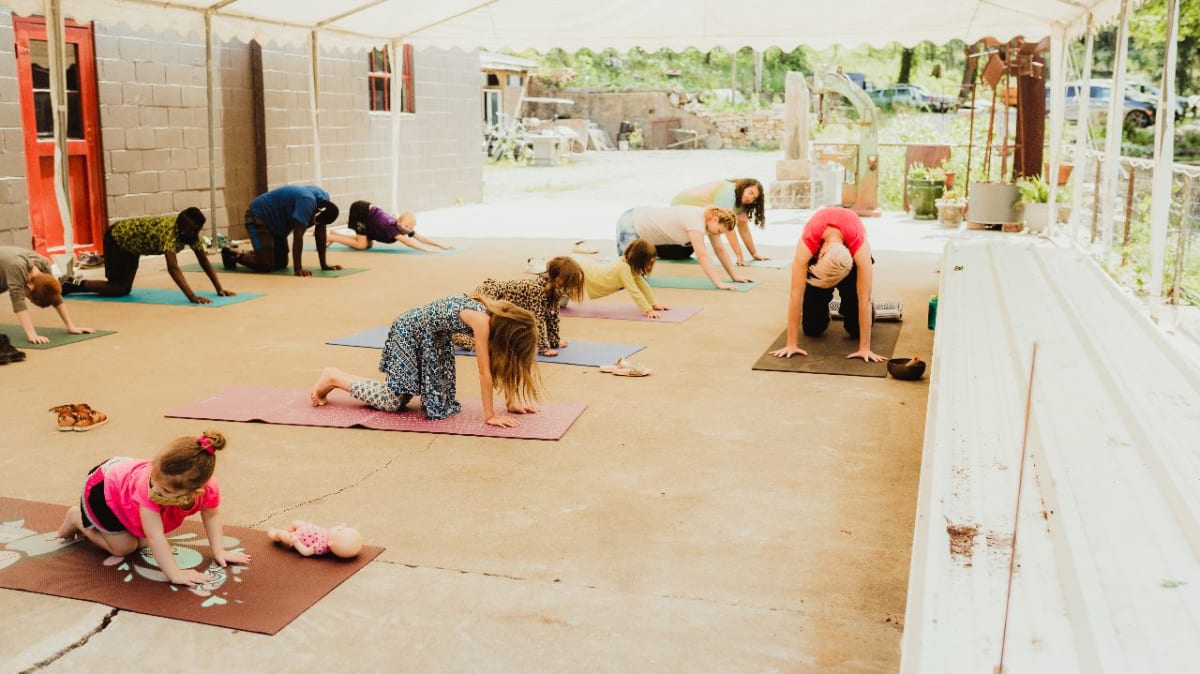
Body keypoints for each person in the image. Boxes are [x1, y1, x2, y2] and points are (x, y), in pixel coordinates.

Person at [311, 294, 543, 428]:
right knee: (393, 401)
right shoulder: (482, 322)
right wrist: (490, 416)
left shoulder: (496, 316)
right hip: (410, 331)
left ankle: (339, 377)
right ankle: (334, 377)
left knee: (434, 404)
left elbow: (503, 361)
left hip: (434, 338)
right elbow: (485, 372)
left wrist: (511, 402)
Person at [55, 430, 251, 587]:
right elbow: (155, 536)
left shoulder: (208, 489)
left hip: (126, 492)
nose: (155, 490)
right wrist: (175, 574)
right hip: (105, 489)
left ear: (194, 493)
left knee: (144, 541)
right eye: (154, 480)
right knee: (124, 548)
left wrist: (219, 551)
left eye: (164, 490)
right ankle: (77, 518)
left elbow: (212, 516)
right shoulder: (148, 487)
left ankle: (122, 529)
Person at [769, 206, 885, 363]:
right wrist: (791, 344)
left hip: (848, 263)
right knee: (812, 328)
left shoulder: (860, 249)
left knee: (855, 330)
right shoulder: (807, 244)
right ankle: (822, 308)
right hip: (821, 263)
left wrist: (864, 348)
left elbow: (865, 298)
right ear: (820, 254)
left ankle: (855, 306)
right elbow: (795, 295)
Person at [60, 207, 236, 304]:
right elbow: (173, 268)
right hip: (117, 239)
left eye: (196, 230)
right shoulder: (169, 232)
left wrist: (219, 288)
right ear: (182, 226)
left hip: (133, 246)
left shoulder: (189, 234)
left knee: (123, 289)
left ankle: (73, 284)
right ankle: (72, 284)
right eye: (191, 230)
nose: (194, 234)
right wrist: (192, 297)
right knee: (117, 288)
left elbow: (203, 260)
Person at [451, 256, 585, 357]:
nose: (571, 284)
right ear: (556, 277)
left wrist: (554, 342)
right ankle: (455, 336)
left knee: (490, 338)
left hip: (495, 297)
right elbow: (537, 320)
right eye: (569, 280)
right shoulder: (537, 290)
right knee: (485, 342)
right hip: (488, 296)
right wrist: (543, 349)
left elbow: (552, 317)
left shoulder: (554, 290)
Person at [614, 205, 752, 290]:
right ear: (715, 219)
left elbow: (720, 249)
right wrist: (719, 283)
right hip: (632, 222)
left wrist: (734, 276)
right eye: (720, 231)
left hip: (643, 224)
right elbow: (702, 255)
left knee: (637, 277)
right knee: (624, 274)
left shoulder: (710, 222)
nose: (719, 235)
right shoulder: (696, 221)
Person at [223, 184, 341, 276]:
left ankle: (258, 253)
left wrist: (324, 264)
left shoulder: (325, 203)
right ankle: (232, 254)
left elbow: (320, 233)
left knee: (281, 262)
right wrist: (298, 268)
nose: (314, 224)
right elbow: (298, 236)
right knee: (265, 264)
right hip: (259, 217)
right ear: (317, 211)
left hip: (278, 225)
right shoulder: (307, 202)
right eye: (315, 221)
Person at [1, 245, 93, 344]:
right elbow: (18, 301)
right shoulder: (16, 268)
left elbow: (54, 294)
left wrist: (71, 326)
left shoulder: (44, 265)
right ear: (30, 287)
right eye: (29, 297)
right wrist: (32, 334)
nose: (24, 296)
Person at [671, 178, 767, 266]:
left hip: (693, 214)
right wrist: (739, 256)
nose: (750, 198)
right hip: (679, 208)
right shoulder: (727, 194)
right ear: (744, 186)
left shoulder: (741, 203)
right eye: (750, 192)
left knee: (684, 252)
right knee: (681, 251)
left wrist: (754, 254)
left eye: (754, 198)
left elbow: (744, 229)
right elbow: (729, 229)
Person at [577, 238, 669, 318]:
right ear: (640, 259)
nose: (651, 263)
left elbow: (643, 285)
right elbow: (634, 290)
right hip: (591, 276)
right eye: (649, 260)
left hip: (591, 272)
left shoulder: (631, 266)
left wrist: (653, 304)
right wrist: (648, 310)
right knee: (570, 286)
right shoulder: (623, 268)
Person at [324, 200, 451, 252]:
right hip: (361, 211)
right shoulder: (393, 227)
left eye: (410, 227)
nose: (408, 229)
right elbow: (407, 242)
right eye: (407, 226)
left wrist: (440, 245)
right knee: (362, 245)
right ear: (399, 222)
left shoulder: (403, 227)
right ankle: (329, 237)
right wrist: (426, 250)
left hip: (370, 215)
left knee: (368, 244)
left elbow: (421, 237)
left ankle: (336, 235)